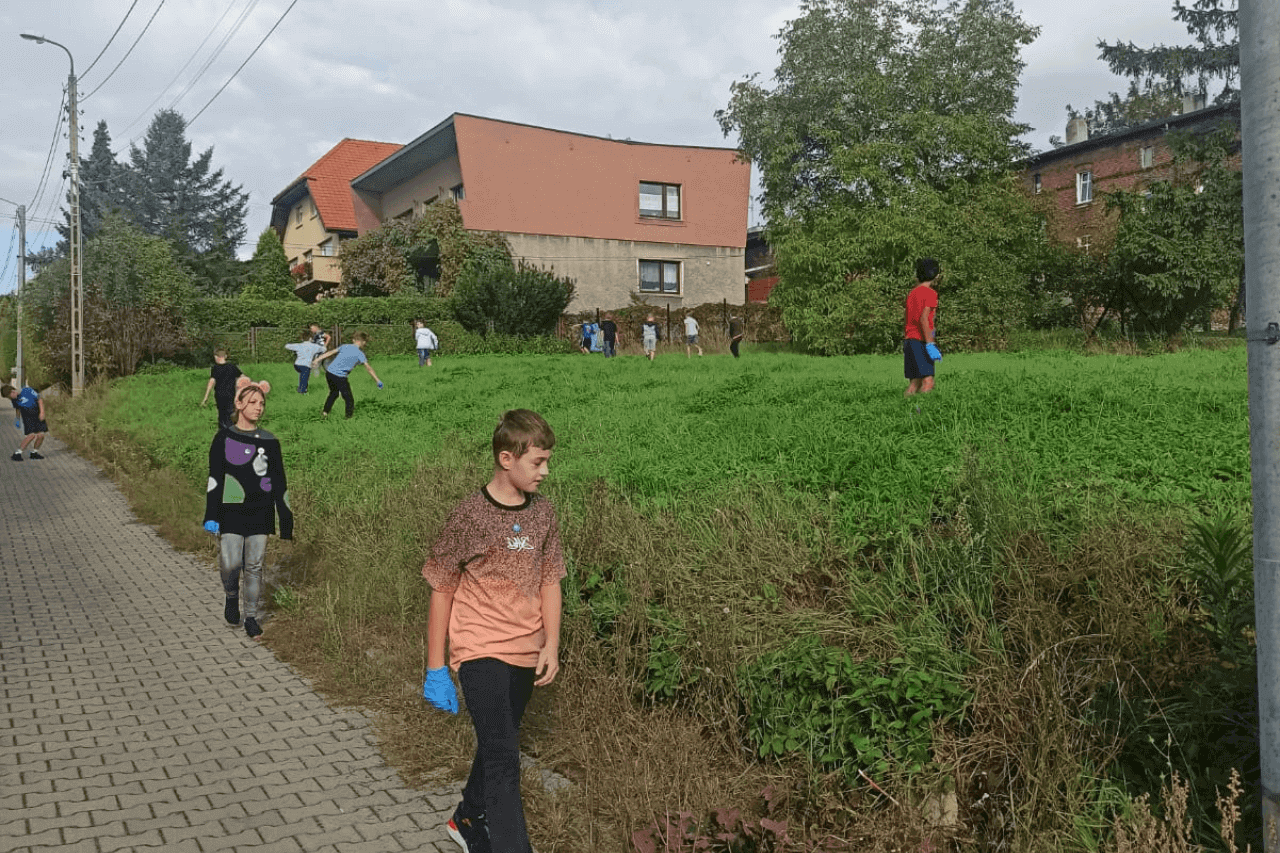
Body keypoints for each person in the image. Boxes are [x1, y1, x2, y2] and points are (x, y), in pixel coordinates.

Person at [421, 409, 565, 853]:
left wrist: (552, 645)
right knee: (505, 760)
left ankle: (466, 817)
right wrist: (435, 668)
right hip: (479, 649)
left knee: (497, 743)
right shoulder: (469, 514)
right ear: (507, 458)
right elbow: (442, 587)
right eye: (537, 462)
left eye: (547, 461)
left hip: (527, 649)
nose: (546, 471)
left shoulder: (542, 513)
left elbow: (550, 579)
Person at [203, 376, 293, 639]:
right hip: (230, 510)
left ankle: (251, 617)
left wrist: (285, 517)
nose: (258, 407)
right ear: (239, 404)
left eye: (262, 403)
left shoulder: (270, 441)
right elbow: (214, 478)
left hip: (261, 511)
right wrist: (211, 515)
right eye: (252, 402)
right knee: (231, 564)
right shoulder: (223, 437)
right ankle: (231, 596)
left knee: (254, 566)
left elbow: (279, 480)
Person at [313, 332, 383, 419]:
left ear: (353, 340)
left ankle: (325, 413)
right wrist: (377, 380)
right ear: (364, 342)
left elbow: (330, 352)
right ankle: (348, 419)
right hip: (339, 376)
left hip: (329, 373)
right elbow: (368, 368)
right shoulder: (360, 354)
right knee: (349, 399)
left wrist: (317, 359)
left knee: (333, 393)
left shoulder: (345, 346)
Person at [904, 258, 942, 397]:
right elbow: (924, 319)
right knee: (928, 381)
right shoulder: (931, 293)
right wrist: (930, 344)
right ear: (936, 275)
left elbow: (907, 318)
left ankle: (905, 409)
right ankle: (924, 412)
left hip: (909, 340)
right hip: (921, 341)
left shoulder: (912, 293)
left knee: (915, 383)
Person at [4, 383, 49, 461]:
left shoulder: (27, 391)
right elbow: (17, 409)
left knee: (41, 435)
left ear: (12, 392)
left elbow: (39, 400)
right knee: (31, 435)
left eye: (9, 396)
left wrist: (42, 412)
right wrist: (17, 418)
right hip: (28, 418)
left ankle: (34, 453)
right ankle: (17, 453)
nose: (10, 399)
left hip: (38, 416)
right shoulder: (14, 400)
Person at [201, 348, 242, 428]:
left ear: (216, 357)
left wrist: (206, 397)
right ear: (225, 356)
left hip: (219, 395)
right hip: (231, 395)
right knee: (230, 413)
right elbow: (243, 378)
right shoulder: (232, 367)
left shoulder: (215, 368)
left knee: (221, 414)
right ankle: (232, 431)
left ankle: (223, 431)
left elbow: (211, 382)